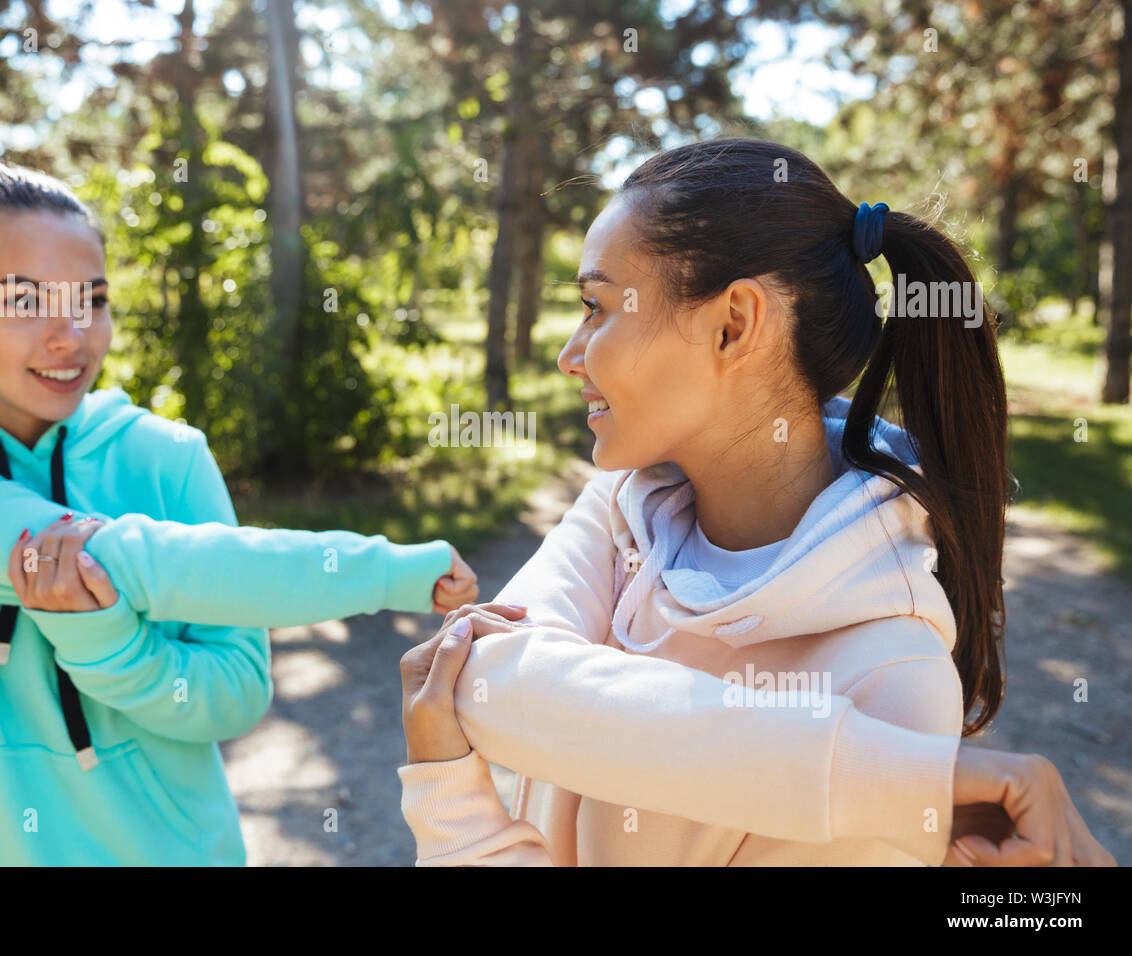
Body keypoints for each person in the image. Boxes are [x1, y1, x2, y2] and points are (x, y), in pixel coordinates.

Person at [396, 138, 1117, 867]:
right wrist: (880, 778)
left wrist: (455, 809)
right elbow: (482, 680)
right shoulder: (622, 509)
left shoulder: (894, 687)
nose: (569, 353)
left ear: (734, 323)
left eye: (596, 305)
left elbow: (470, 693)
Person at [0, 162, 479, 866]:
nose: (71, 334)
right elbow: (132, 561)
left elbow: (235, 695)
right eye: (23, 301)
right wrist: (387, 572)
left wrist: (106, 642)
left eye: (91, 298)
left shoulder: (169, 458)